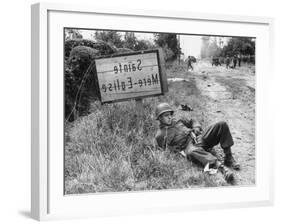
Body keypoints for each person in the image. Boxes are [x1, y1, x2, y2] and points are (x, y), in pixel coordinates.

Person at [154, 103, 240, 183]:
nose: (169, 117)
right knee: (192, 151)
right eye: (166, 116)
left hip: (198, 138)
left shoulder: (177, 121)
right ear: (160, 118)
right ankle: (221, 168)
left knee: (221, 124)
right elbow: (166, 151)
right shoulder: (160, 135)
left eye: (170, 114)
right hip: (188, 147)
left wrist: (196, 128)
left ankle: (228, 158)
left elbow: (192, 121)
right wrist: (180, 152)